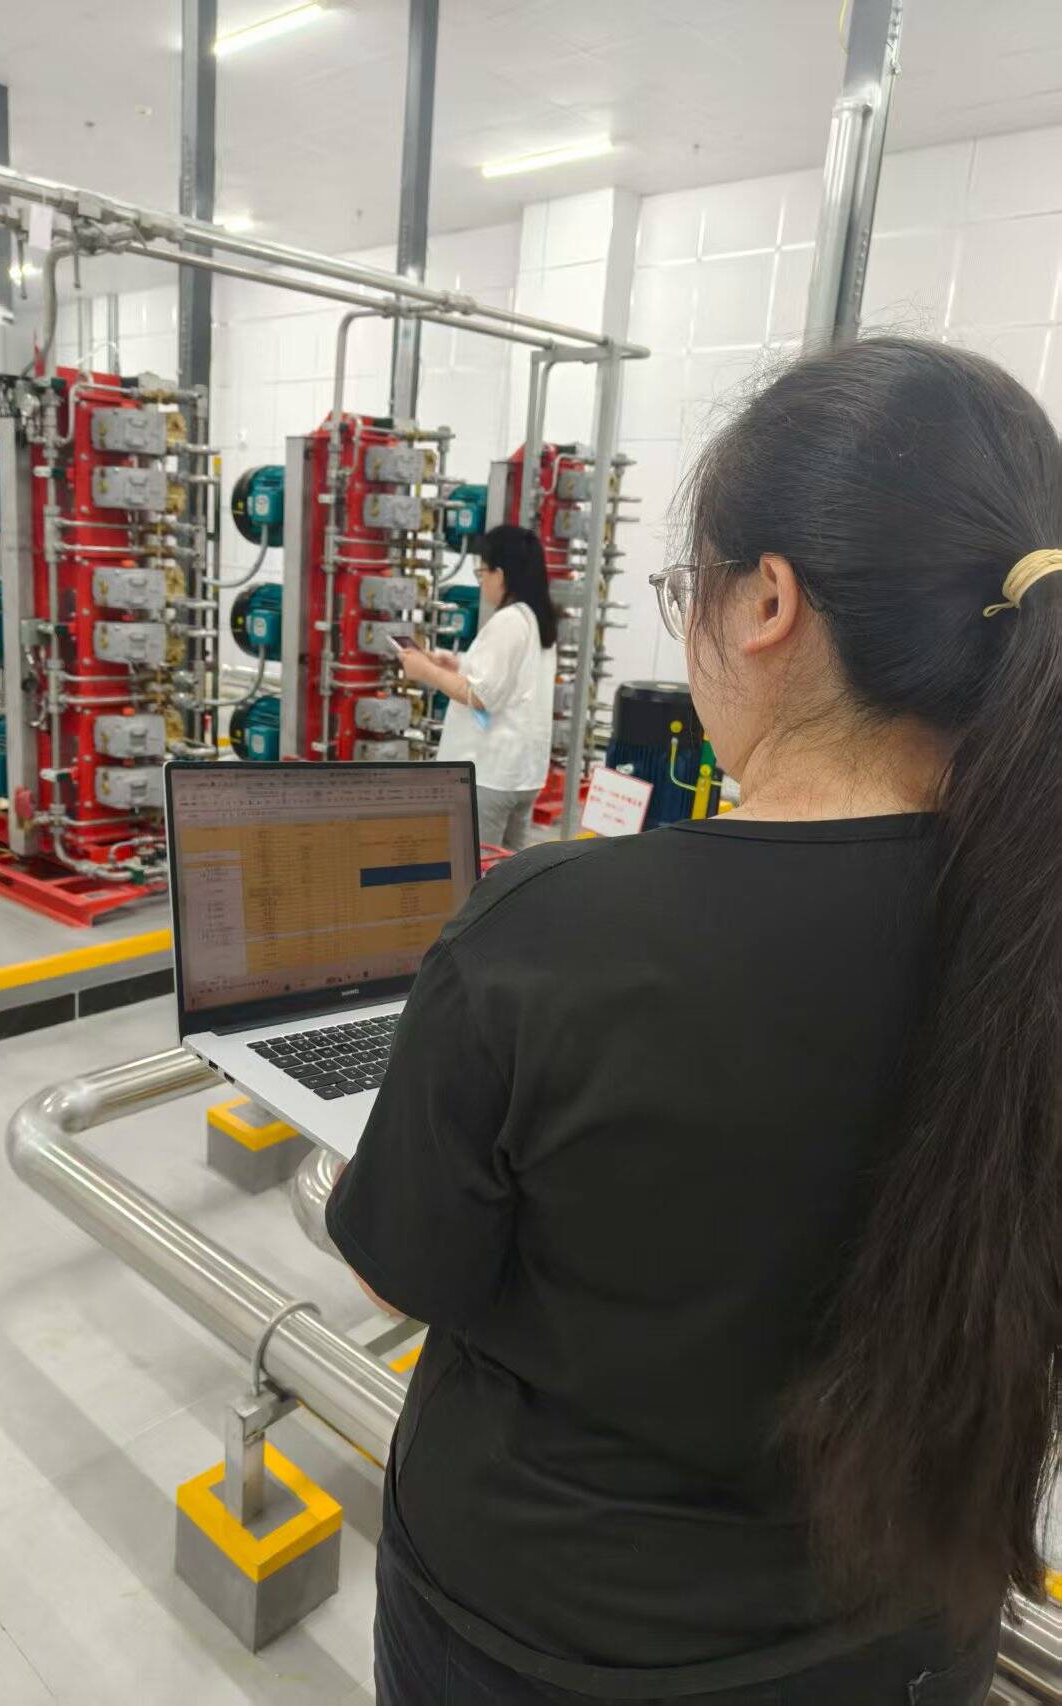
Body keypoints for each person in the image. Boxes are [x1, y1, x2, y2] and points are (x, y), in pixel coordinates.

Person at [327, 336, 1061, 1704]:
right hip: (905, 1637)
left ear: (767, 600)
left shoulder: (548, 932)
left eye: (687, 589)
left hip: (549, 1638)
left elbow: (397, 1276)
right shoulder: (1030, 938)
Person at [395, 523, 557, 850]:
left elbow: (481, 696)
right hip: (522, 774)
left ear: (500, 574)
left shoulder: (508, 621)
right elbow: (510, 681)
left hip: (491, 773)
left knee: (475, 867)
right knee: (510, 868)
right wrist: (458, 664)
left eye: (482, 573)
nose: (481, 581)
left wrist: (425, 670)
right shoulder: (536, 618)